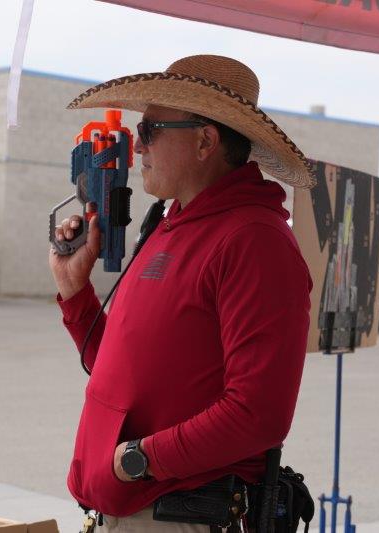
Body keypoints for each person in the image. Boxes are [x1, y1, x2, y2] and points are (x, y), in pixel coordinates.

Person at [50, 55, 315, 532]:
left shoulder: (255, 240)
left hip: (181, 511)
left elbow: (259, 414)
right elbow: (121, 370)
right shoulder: (171, 224)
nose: (136, 145)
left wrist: (140, 459)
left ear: (204, 141)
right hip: (133, 505)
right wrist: (76, 295)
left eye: (150, 130)